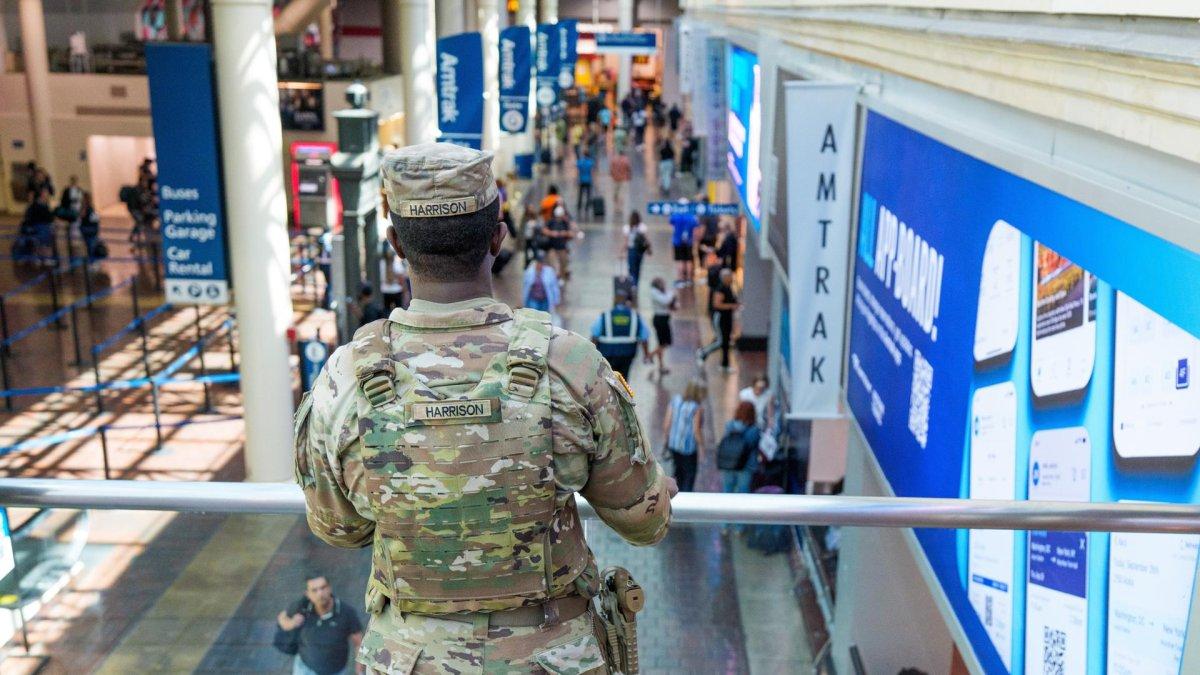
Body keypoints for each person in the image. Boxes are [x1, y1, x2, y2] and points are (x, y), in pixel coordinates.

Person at [296, 142, 674, 675]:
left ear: (396, 244)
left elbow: (340, 529)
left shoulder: (345, 380)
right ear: (498, 238)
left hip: (409, 660)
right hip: (549, 658)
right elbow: (644, 522)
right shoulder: (569, 366)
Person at [274, 572, 364, 675]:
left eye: (323, 588)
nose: (320, 594)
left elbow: (359, 643)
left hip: (335, 671)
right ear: (307, 594)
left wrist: (359, 670)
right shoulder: (301, 607)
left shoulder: (346, 612)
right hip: (304, 669)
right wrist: (291, 624)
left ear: (330, 588)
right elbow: (282, 617)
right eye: (314, 590)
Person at [591, 290, 652, 379]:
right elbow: (644, 336)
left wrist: (592, 354)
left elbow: (594, 335)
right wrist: (646, 354)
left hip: (607, 353)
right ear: (626, 301)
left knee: (608, 379)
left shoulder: (605, 315)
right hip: (628, 353)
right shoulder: (635, 316)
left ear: (614, 300)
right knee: (623, 379)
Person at [663, 378, 706, 492]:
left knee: (678, 472)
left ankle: (677, 494)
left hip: (674, 444)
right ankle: (686, 497)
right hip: (688, 447)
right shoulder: (697, 407)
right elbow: (696, 430)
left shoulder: (675, 400)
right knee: (689, 476)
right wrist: (702, 447)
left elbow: (666, 423)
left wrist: (667, 439)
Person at [698, 268, 740, 372]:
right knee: (721, 341)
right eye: (730, 276)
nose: (732, 278)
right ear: (725, 278)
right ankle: (703, 353)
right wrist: (732, 306)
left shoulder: (728, 288)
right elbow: (717, 304)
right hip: (721, 317)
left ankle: (725, 364)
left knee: (726, 341)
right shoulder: (720, 289)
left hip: (727, 317)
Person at [719, 401, 761, 496]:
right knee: (743, 492)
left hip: (728, 462)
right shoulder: (754, 430)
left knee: (727, 490)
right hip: (746, 465)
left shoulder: (729, 426)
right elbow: (753, 446)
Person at [647, 277, 676, 375]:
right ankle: (650, 356)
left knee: (662, 343)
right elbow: (666, 301)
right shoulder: (654, 292)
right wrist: (671, 294)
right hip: (660, 319)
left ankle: (660, 365)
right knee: (663, 343)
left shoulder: (661, 291)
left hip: (664, 319)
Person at [522, 250, 561, 316]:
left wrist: (556, 300)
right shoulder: (529, 271)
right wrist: (524, 300)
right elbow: (525, 286)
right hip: (533, 299)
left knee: (544, 316)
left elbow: (554, 286)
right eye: (539, 262)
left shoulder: (549, 271)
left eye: (541, 263)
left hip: (545, 300)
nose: (540, 265)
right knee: (534, 316)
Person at [542, 204, 574, 282]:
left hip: (562, 248)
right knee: (554, 266)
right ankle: (555, 279)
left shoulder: (565, 223)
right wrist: (552, 233)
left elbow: (571, 234)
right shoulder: (551, 222)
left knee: (563, 265)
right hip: (552, 248)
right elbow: (544, 230)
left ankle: (561, 279)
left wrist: (564, 233)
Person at [670, 205, 699, 287]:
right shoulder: (692, 216)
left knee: (680, 260)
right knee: (689, 260)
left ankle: (681, 279)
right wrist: (695, 240)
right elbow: (695, 229)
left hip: (677, 242)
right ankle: (689, 279)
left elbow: (672, 225)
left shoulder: (675, 215)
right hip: (689, 242)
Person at [623, 210, 650, 286]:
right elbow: (647, 240)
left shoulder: (627, 228)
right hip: (640, 251)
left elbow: (626, 243)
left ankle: (632, 285)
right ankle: (636, 285)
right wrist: (648, 250)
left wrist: (621, 252)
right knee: (638, 269)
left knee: (631, 269)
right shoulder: (643, 227)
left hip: (631, 250)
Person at [379, 248, 407, 313]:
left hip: (385, 290)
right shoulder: (397, 263)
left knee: (386, 311)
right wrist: (405, 290)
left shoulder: (382, 263)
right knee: (399, 310)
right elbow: (402, 277)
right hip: (396, 290)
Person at [609, 151, 632, 217]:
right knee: (621, 194)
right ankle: (620, 208)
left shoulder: (614, 160)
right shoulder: (626, 160)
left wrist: (612, 175)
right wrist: (629, 176)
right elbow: (629, 169)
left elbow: (611, 169)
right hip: (623, 179)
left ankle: (616, 208)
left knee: (615, 194)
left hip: (615, 179)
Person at [575, 150, 595, 217]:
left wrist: (576, 179)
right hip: (588, 180)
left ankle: (579, 206)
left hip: (581, 180)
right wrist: (593, 180)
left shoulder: (579, 162)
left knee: (580, 194)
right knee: (588, 194)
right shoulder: (590, 162)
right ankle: (587, 207)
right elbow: (592, 172)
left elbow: (577, 172)